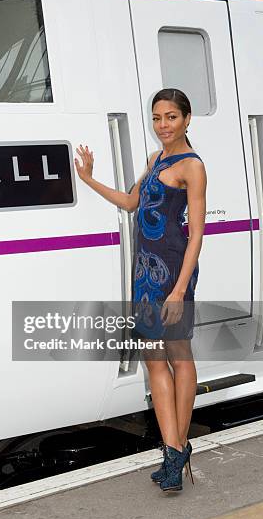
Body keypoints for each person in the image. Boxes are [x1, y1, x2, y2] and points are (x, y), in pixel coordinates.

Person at [74, 88, 207, 492]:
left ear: (186, 119)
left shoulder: (193, 167)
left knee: (179, 356)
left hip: (173, 273)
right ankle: (173, 450)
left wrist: (180, 289)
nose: (162, 125)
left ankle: (177, 448)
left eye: (170, 117)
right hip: (146, 275)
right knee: (154, 359)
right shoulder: (155, 160)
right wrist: (89, 178)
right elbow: (131, 202)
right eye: (157, 118)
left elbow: (197, 233)